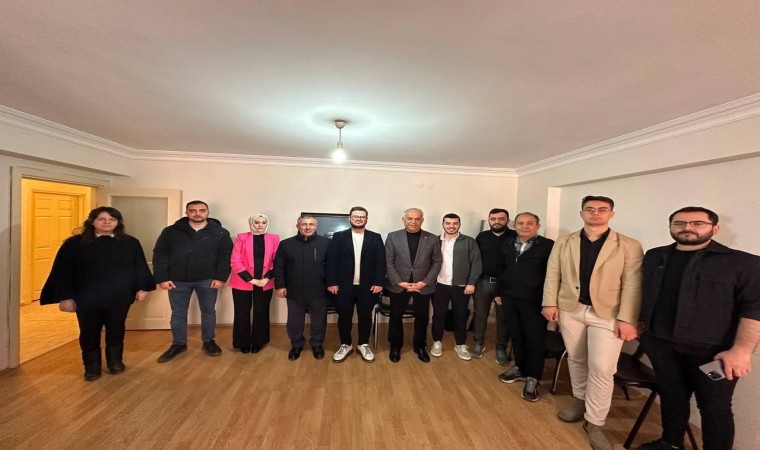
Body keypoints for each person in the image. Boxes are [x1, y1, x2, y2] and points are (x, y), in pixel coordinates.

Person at [637, 207, 760, 450]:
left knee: (714, 407)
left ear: (715, 228)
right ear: (670, 227)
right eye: (679, 223)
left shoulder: (743, 263)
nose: (687, 228)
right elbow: (644, 293)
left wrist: (741, 351)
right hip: (661, 344)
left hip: (713, 352)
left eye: (697, 223)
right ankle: (670, 443)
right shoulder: (654, 256)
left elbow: (754, 308)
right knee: (671, 396)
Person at [542, 196, 643, 450]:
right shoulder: (565, 242)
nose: (595, 213)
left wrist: (627, 318)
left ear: (611, 214)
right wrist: (549, 303)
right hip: (571, 308)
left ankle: (595, 421)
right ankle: (579, 399)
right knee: (576, 358)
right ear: (581, 213)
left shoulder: (629, 245)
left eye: (602, 209)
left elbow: (633, 284)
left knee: (602, 368)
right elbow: (553, 273)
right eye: (590, 209)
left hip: (608, 313)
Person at [40, 207, 155, 381]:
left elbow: (139, 266)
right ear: (92, 221)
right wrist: (65, 297)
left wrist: (143, 288)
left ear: (118, 222)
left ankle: (115, 362)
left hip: (119, 296)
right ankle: (91, 367)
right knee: (88, 332)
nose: (107, 222)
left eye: (112, 219)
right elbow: (62, 272)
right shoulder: (74, 244)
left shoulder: (130, 242)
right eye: (102, 219)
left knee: (116, 329)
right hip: (86, 297)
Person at [153, 200, 233, 363]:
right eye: (193, 210)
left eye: (201, 210)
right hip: (177, 280)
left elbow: (225, 257)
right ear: (186, 212)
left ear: (208, 213)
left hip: (208, 280)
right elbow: (160, 255)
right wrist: (162, 278)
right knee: (178, 314)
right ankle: (178, 344)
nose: (197, 214)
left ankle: (209, 341)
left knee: (208, 311)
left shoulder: (220, 233)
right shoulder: (171, 232)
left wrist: (220, 277)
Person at [495, 212, 554, 402]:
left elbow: (554, 275)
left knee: (535, 340)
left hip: (535, 302)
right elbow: (501, 269)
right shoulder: (507, 244)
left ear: (538, 226)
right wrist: (499, 292)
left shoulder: (549, 246)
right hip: (510, 298)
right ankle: (520, 368)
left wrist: (550, 302)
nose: (525, 226)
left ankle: (533, 377)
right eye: (520, 223)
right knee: (517, 335)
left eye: (530, 223)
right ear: (515, 226)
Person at [326, 207, 386, 363]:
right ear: (349, 218)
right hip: (343, 286)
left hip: (368, 287)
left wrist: (379, 282)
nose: (359, 219)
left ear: (366, 219)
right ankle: (345, 345)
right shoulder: (339, 237)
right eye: (356, 216)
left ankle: (363, 344)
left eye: (362, 217)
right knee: (344, 316)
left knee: (365, 316)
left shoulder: (375, 237)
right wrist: (332, 282)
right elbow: (331, 261)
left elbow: (381, 262)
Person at [384, 208, 443, 363]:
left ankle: (420, 347)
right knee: (395, 317)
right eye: (410, 218)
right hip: (399, 285)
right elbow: (388, 262)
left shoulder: (432, 238)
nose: (413, 222)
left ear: (422, 220)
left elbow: (437, 262)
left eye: (417, 219)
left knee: (422, 318)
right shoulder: (392, 237)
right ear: (403, 219)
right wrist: (400, 282)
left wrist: (424, 282)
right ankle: (395, 346)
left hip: (422, 286)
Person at [273, 214, 330, 361]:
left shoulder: (327, 243)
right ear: (298, 226)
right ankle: (296, 345)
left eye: (311, 224)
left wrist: (331, 285)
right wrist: (280, 285)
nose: (307, 227)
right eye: (304, 224)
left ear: (316, 226)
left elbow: (332, 267)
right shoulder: (286, 244)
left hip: (318, 289)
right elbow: (278, 266)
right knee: (294, 320)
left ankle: (317, 344)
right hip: (294, 289)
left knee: (318, 320)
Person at [430, 213, 481, 360]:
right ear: (443, 224)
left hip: (462, 286)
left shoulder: (469, 241)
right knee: (439, 315)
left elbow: (476, 263)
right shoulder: (435, 241)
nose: (451, 226)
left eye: (455, 223)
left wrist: (471, 283)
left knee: (460, 315)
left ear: (459, 224)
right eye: (448, 223)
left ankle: (460, 344)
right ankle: (437, 342)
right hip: (439, 284)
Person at [229, 213, 280, 354]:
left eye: (263, 222)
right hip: (242, 282)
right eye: (257, 222)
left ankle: (259, 341)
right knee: (241, 312)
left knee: (261, 312)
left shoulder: (274, 238)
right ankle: (242, 342)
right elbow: (235, 260)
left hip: (265, 282)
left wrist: (267, 278)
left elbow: (277, 261)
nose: (260, 225)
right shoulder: (241, 237)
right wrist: (250, 279)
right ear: (251, 223)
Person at [472, 208, 517, 364]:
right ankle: (478, 343)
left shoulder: (515, 237)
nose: (497, 222)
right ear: (489, 220)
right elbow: (475, 260)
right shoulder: (482, 237)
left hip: (505, 285)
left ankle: (501, 348)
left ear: (508, 220)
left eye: (501, 219)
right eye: (493, 219)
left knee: (503, 318)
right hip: (483, 282)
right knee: (480, 315)